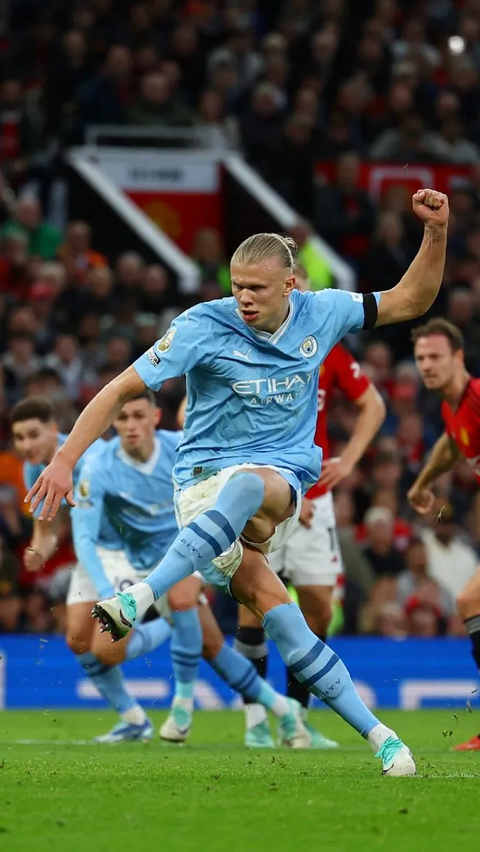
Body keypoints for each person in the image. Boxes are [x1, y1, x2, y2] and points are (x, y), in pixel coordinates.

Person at [26, 188, 449, 776]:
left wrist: (435, 233)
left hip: (278, 482)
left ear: (290, 287)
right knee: (280, 605)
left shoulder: (323, 311)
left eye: (257, 288)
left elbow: (410, 299)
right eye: (236, 285)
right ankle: (382, 737)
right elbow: (123, 387)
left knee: (283, 586)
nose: (244, 298)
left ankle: (382, 741)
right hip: (201, 486)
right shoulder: (201, 326)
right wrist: (67, 457)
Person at [72, 390, 310, 747]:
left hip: (188, 544)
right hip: (130, 560)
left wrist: (284, 501)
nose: (131, 425)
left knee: (184, 600)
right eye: (123, 418)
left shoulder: (182, 447)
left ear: (155, 417)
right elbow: (84, 535)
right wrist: (107, 591)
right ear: (113, 423)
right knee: (208, 646)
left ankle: (181, 708)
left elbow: (232, 474)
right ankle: (282, 707)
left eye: (139, 416)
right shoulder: (99, 466)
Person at [236, 263, 386, 748]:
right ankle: (257, 718)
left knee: (319, 609)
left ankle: (296, 720)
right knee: (252, 606)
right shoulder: (243, 345)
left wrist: (349, 460)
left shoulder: (326, 350)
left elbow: (374, 406)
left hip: (314, 498)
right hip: (260, 494)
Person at [407, 317, 480, 751]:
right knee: (471, 600)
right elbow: (452, 444)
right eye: (420, 358)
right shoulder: (453, 407)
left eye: (435, 356)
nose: (427, 365)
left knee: (472, 600)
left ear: (458, 358)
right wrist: (422, 481)